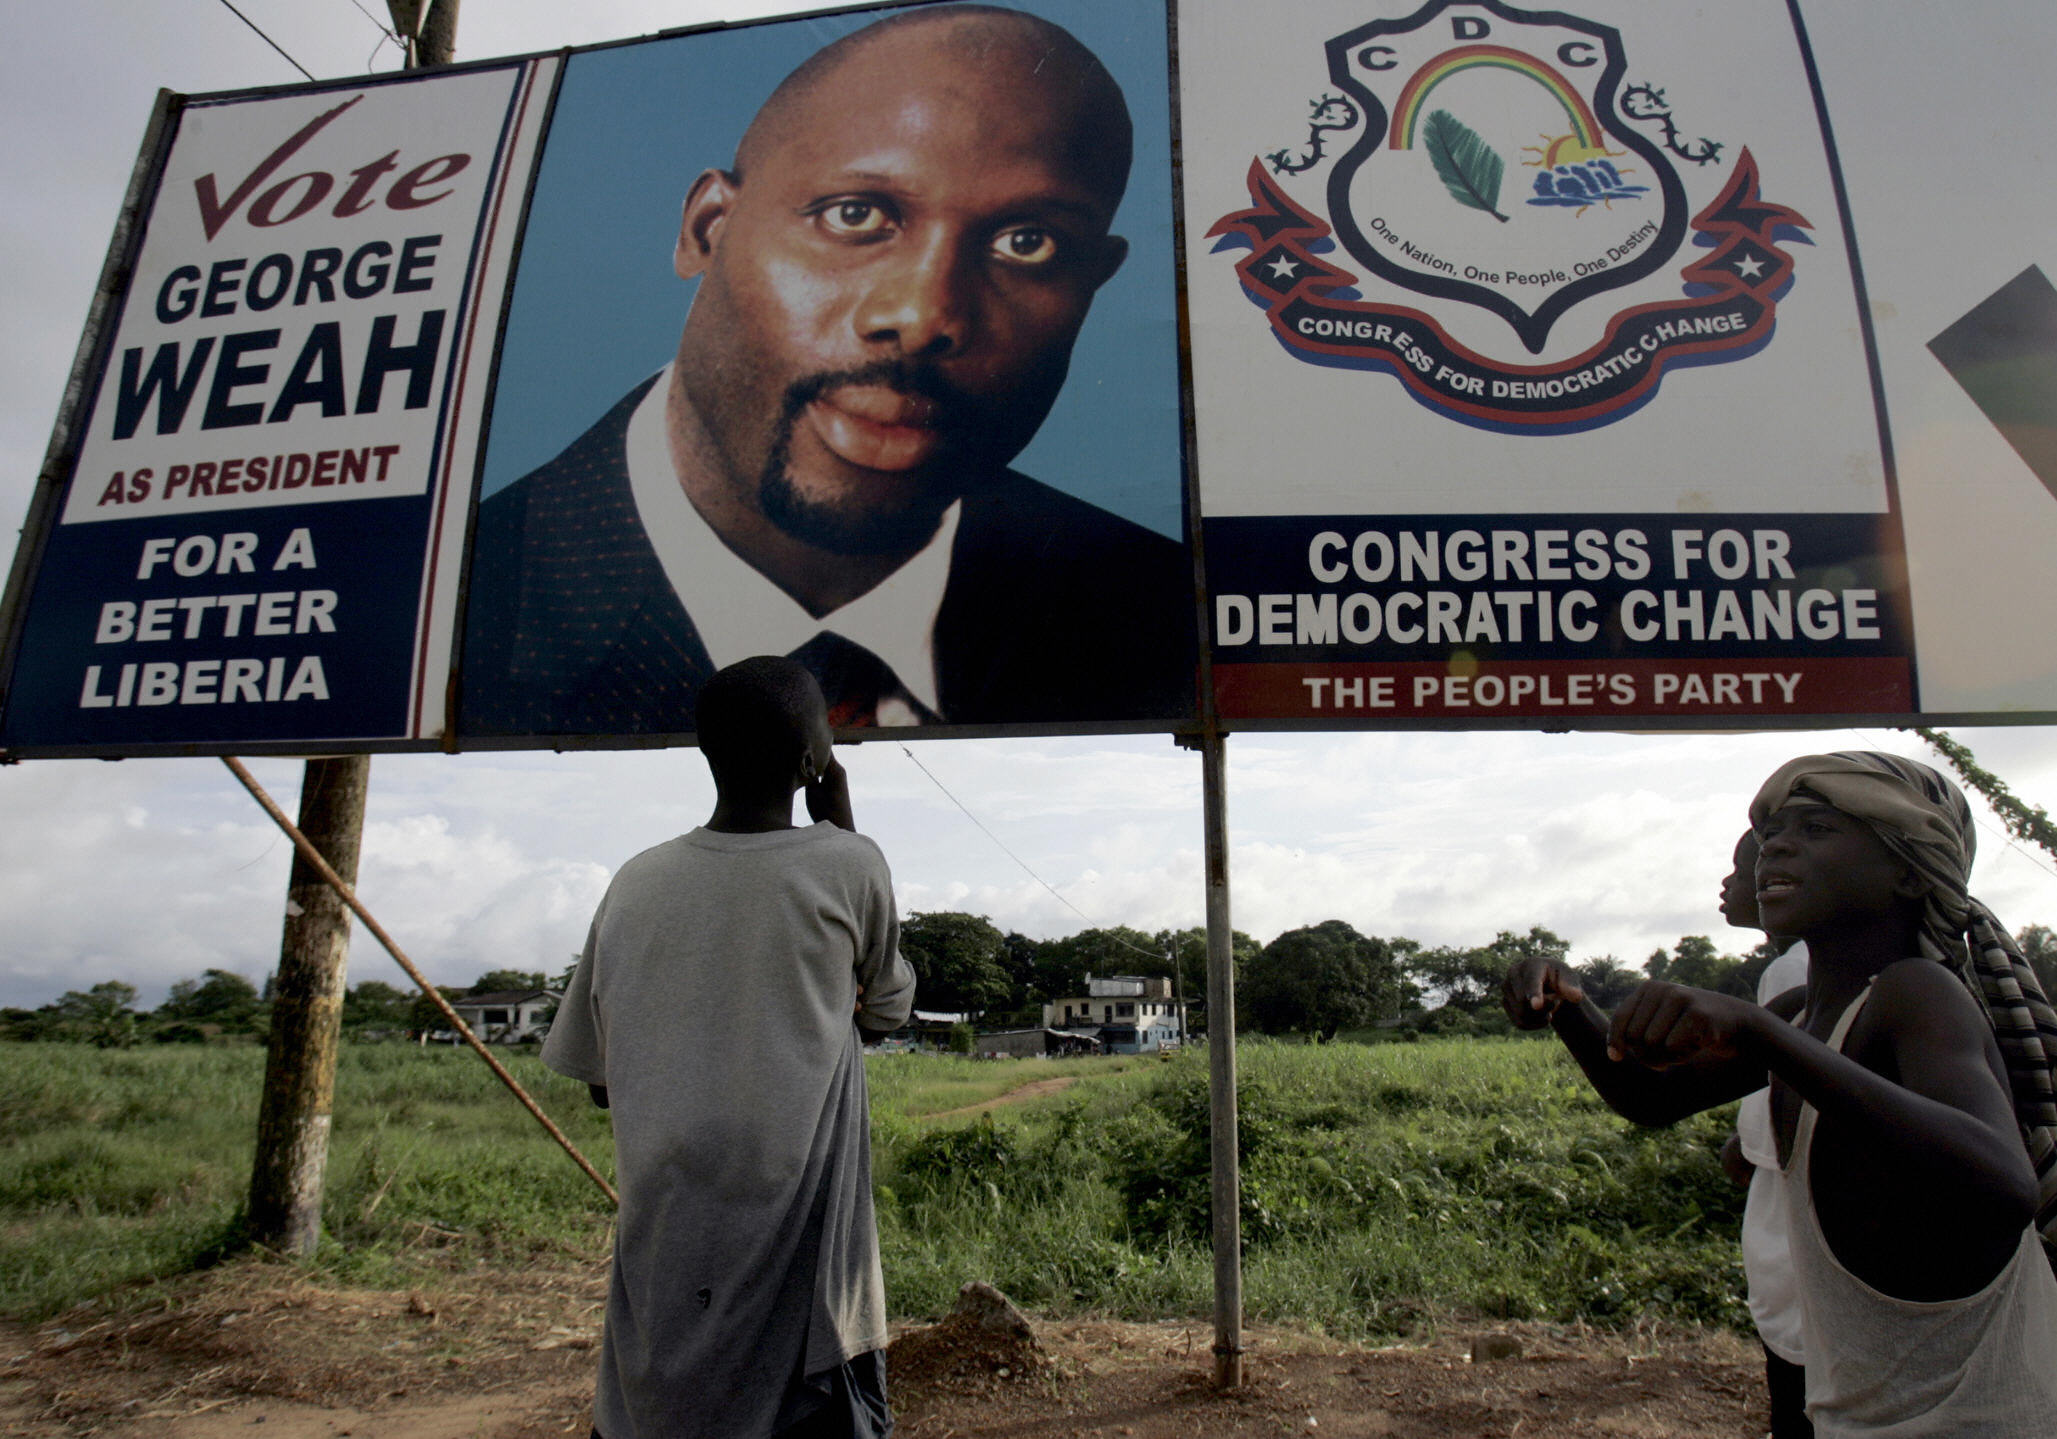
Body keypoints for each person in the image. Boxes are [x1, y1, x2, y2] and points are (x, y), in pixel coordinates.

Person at [463, 4, 1194, 737]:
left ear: (1092, 283)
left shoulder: (1161, 617)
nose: (922, 314)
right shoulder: (461, 606)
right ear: (706, 230)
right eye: (854, 215)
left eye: (1027, 242)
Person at [1503, 751, 2057, 1435]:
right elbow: (1648, 1097)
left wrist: (1762, 1034)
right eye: (1773, 832)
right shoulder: (1808, 1010)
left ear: (1911, 870)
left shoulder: (1916, 993)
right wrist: (1566, 1007)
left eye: (1818, 829)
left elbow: (2004, 1183)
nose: (1778, 847)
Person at [543, 655, 917, 1438]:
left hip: (666, 1264)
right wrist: (839, 820)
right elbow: (883, 1011)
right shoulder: (849, 862)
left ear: (704, 753)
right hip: (809, 1289)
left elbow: (601, 1080)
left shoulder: (635, 882)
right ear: (814, 760)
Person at [1714, 828, 1813, 1438]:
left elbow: (1769, 1137)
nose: (1727, 885)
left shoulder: (1793, 969)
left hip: (1801, 1262)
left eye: (1745, 870)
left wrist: (1743, 1143)